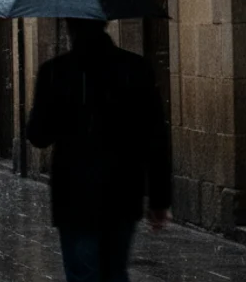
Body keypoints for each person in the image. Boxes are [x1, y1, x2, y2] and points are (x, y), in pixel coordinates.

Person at [27, 18, 171, 282]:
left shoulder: (55, 71)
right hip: (123, 191)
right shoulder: (136, 68)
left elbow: (38, 136)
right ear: (104, 24)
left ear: (69, 29)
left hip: (74, 195)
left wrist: (50, 113)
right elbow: (155, 137)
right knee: (115, 272)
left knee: (83, 273)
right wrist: (160, 199)